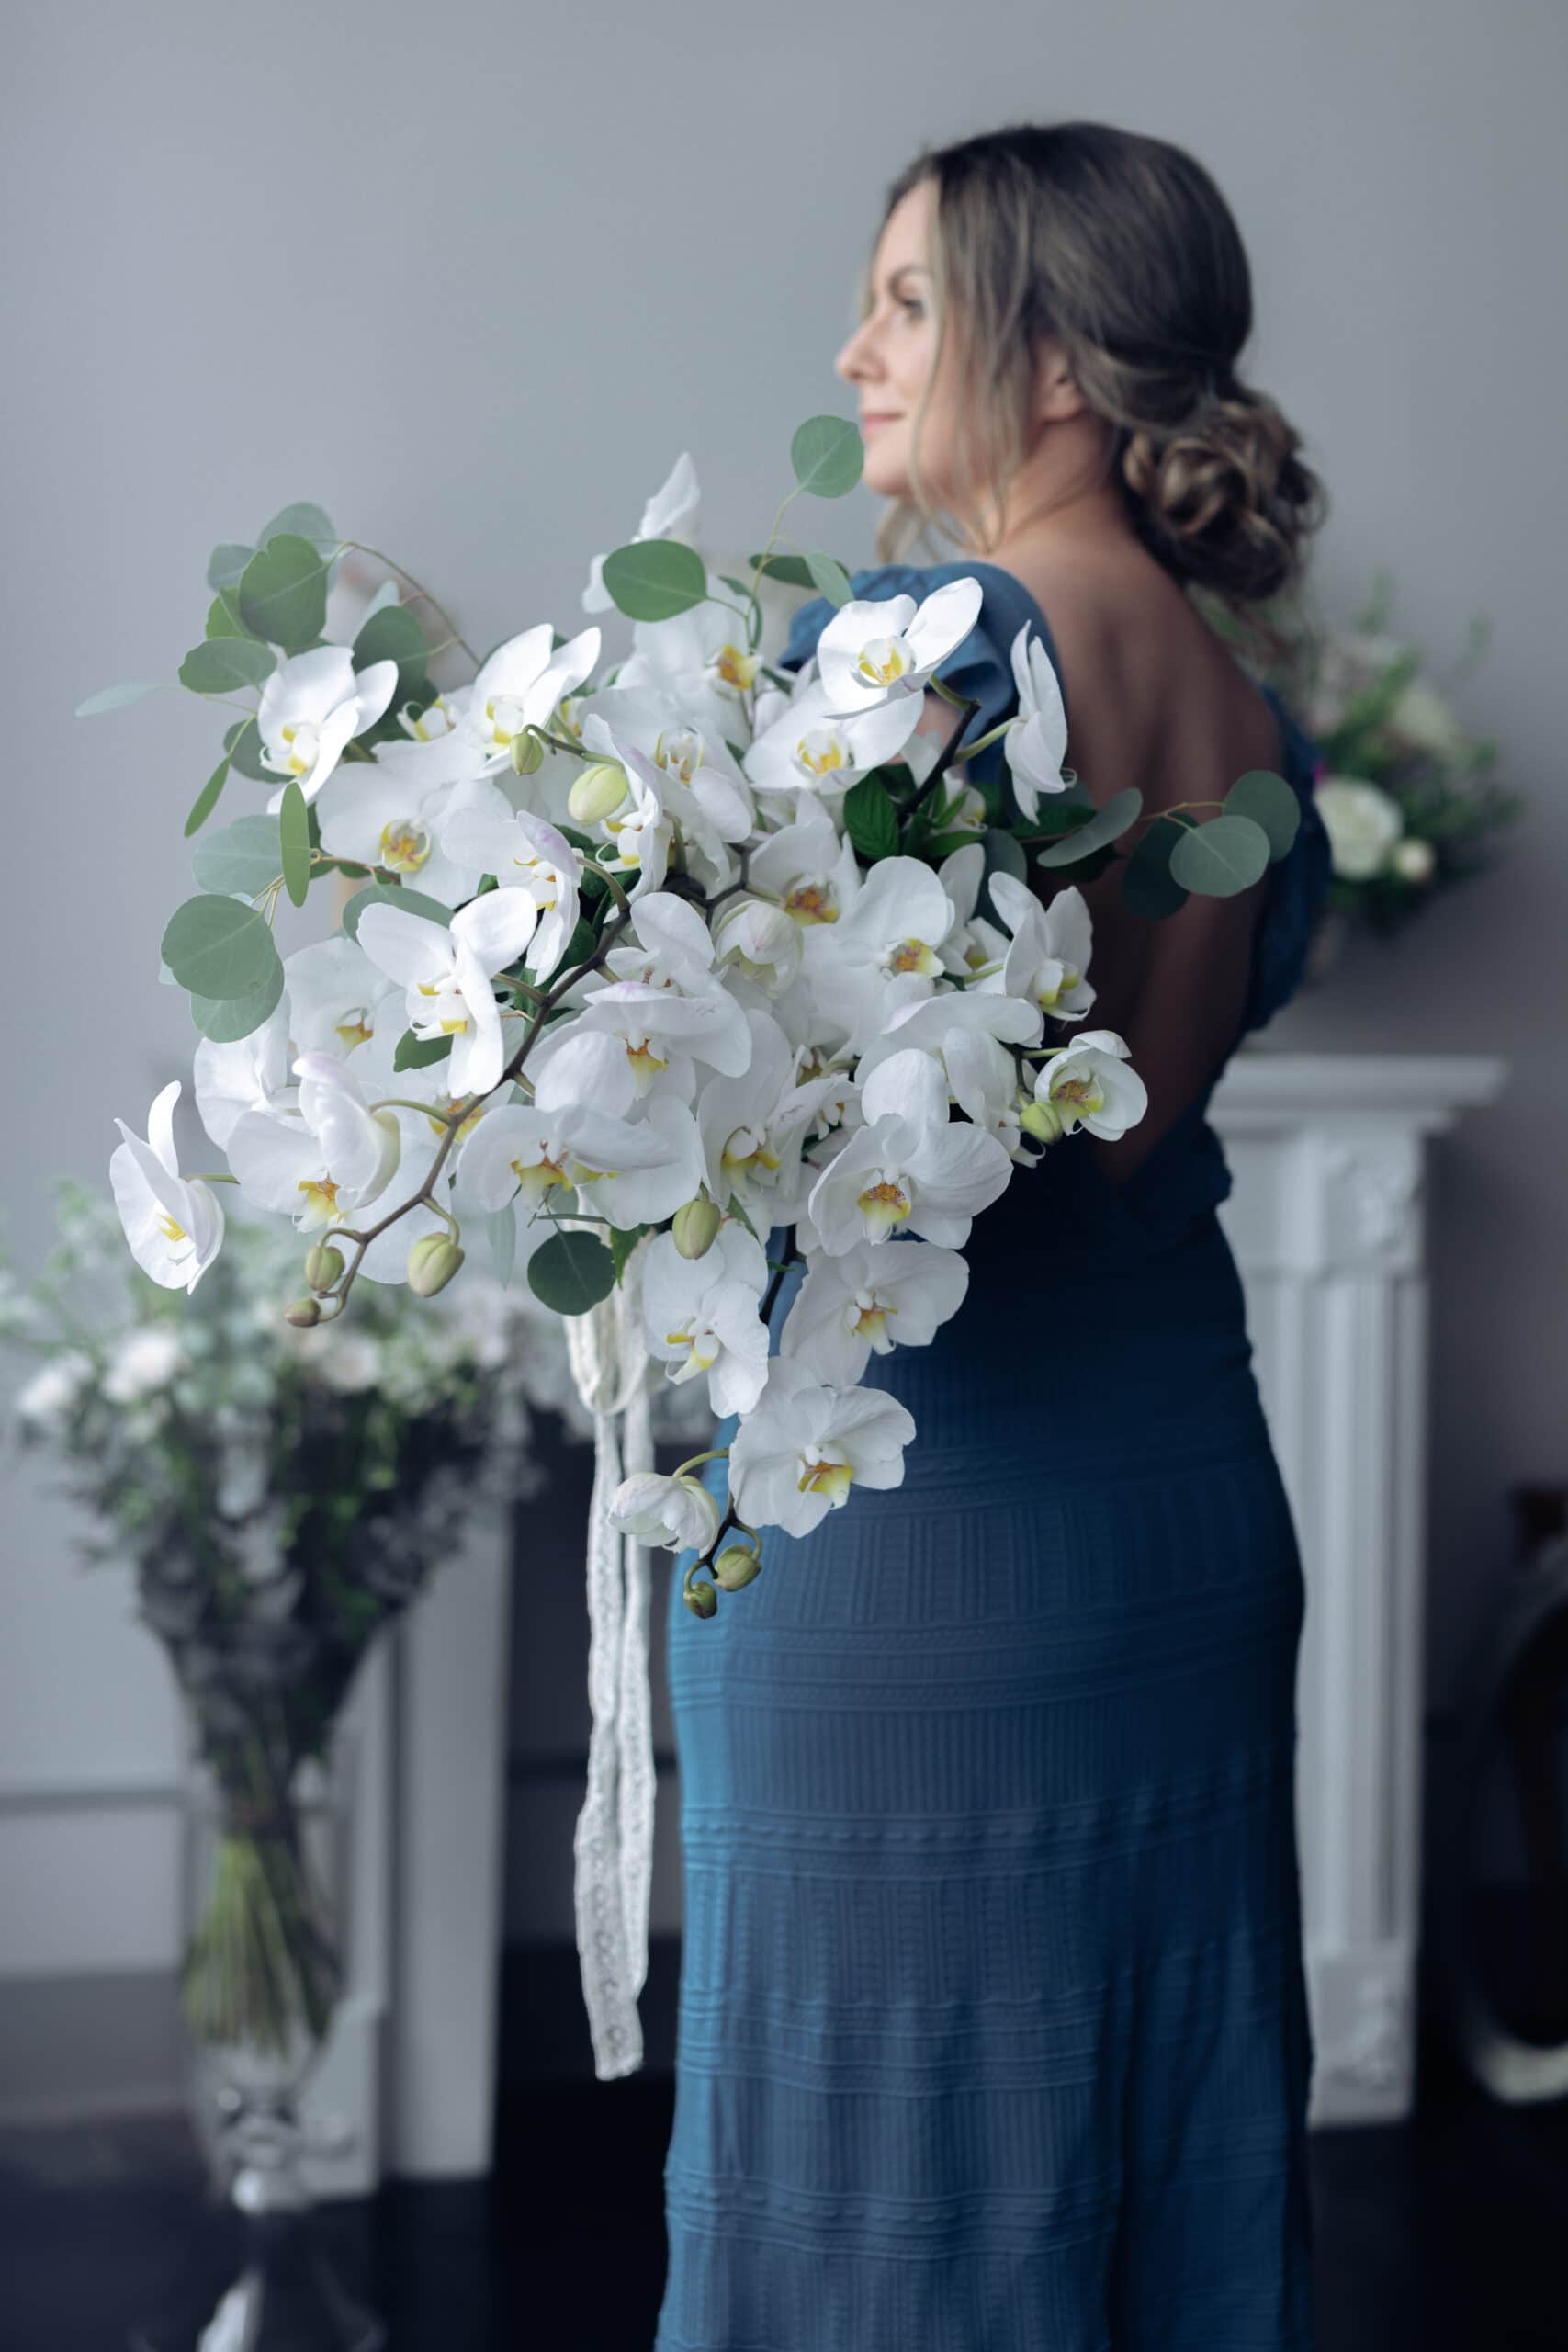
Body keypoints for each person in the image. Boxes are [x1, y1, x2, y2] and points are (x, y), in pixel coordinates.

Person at [657, 119, 1331, 2352]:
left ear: (1050, 364)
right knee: (1141, 2176)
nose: (851, 351)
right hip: (1169, 1517)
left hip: (912, 1543)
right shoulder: (1240, 705)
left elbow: (780, 1102)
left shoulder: (927, 646)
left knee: (873, 2198)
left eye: (907, 303)